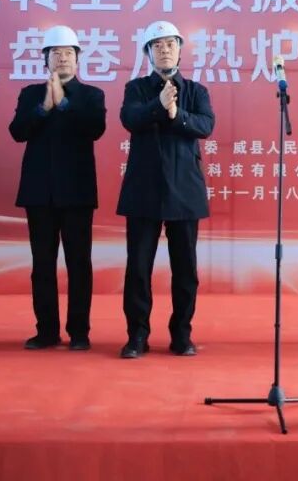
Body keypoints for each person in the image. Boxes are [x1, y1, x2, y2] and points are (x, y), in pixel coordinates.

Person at [118, 20, 215, 359]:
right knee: (138, 268)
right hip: (143, 190)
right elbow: (130, 119)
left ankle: (182, 335)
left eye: (170, 44)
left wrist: (175, 113)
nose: (164, 50)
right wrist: (158, 105)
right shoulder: (136, 88)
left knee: (185, 269)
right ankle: (137, 336)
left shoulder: (196, 91)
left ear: (180, 49)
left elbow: (205, 125)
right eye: (157, 45)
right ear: (148, 52)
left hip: (185, 191)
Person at [9, 25, 106, 351]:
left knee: (79, 264)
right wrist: (44, 109)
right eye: (55, 53)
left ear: (77, 60)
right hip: (39, 193)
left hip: (77, 193)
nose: (62, 58)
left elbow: (95, 129)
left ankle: (79, 332)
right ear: (45, 59)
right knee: (42, 265)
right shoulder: (30, 94)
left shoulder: (92, 95)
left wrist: (64, 105)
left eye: (68, 53)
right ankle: (46, 331)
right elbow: (17, 132)